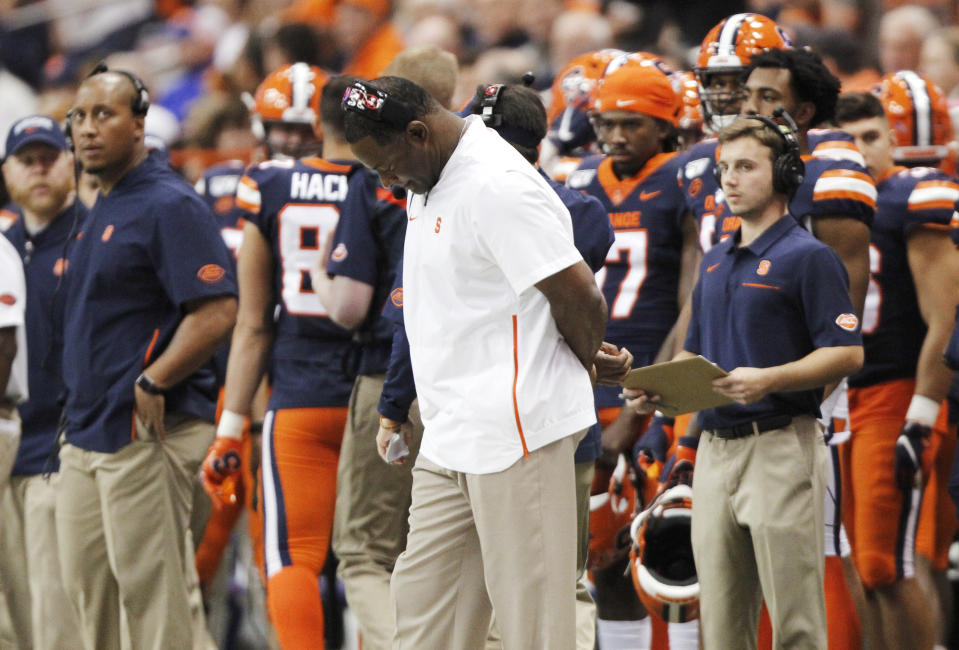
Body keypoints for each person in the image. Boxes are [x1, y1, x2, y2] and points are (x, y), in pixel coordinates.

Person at [343, 76, 607, 649]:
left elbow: (579, 294)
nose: (386, 182)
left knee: (532, 626)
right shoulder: (426, 175)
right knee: (423, 619)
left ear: (419, 132)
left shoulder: (498, 184)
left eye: (384, 165)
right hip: (448, 434)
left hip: (515, 435)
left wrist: (586, 357)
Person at [629, 116, 864, 648]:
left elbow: (848, 351)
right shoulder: (715, 262)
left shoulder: (810, 256)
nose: (729, 180)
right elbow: (698, 354)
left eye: (745, 167)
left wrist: (771, 379)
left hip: (780, 444)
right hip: (715, 449)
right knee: (722, 620)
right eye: (723, 169)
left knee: (795, 619)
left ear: (783, 174)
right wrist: (656, 389)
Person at [55, 64, 237, 650]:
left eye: (103, 114)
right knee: (88, 595)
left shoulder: (167, 203)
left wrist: (156, 380)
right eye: (79, 117)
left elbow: (216, 309)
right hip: (85, 432)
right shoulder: (103, 204)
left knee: (154, 602)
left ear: (139, 124)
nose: (87, 129)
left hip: (140, 433)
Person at [200, 62, 362, 649]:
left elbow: (251, 322)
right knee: (377, 562)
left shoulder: (260, 186)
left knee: (291, 555)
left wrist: (230, 425)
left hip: (293, 391)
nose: (290, 140)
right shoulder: (385, 182)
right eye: (279, 127)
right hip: (376, 391)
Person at [324, 45, 460, 650]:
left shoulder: (372, 180)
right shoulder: (474, 165)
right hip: (464, 380)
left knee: (364, 551)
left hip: (390, 377)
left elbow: (350, 303)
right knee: (452, 549)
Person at [566, 57, 700, 650]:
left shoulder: (686, 177)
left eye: (632, 124)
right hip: (585, 383)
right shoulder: (579, 179)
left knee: (667, 554)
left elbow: (695, 299)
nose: (615, 136)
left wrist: (652, 396)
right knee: (601, 552)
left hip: (655, 383)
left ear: (668, 125)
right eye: (607, 123)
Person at [835, 91, 959, 650]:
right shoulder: (829, 200)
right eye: (849, 139)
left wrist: (923, 413)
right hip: (844, 394)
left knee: (891, 560)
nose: (860, 151)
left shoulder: (911, 196)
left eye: (871, 136)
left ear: (893, 139)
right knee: (863, 563)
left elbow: (946, 317)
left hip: (895, 389)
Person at [0, 116, 82, 649]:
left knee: (59, 621)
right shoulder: (4, 245)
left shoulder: (93, 234)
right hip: (10, 448)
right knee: (13, 622)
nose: (39, 168)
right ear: (7, 171)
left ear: (70, 160)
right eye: (26, 159)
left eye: (49, 155)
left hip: (63, 451)